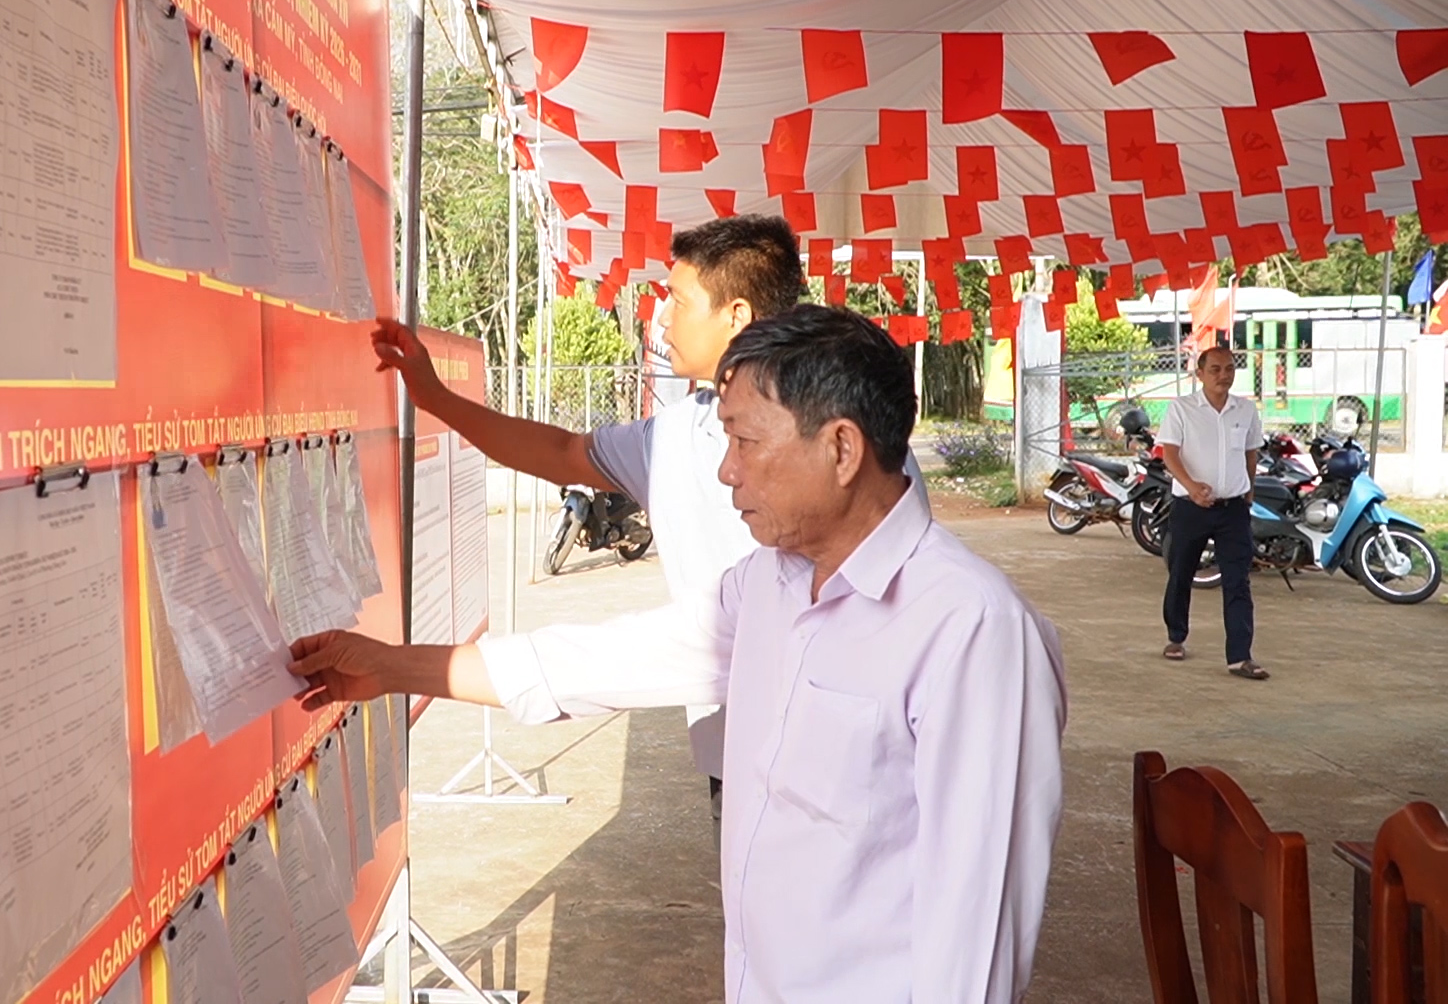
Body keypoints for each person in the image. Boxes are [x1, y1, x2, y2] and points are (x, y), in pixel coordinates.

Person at [300, 306, 1067, 1003]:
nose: (728, 470)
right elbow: (603, 660)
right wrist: (393, 668)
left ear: (841, 448)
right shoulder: (768, 585)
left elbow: (974, 946)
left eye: (744, 441)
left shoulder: (970, 630)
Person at [370, 214, 807, 831]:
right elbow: (561, 453)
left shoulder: (825, 432)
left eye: (679, 300)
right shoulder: (676, 435)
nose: (663, 318)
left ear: (735, 315)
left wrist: (394, 667)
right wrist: (435, 398)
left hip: (821, 748)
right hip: (734, 756)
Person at [1158, 344, 1268, 680]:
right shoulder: (1182, 409)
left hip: (1233, 508)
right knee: (1181, 572)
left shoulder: (1245, 410)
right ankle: (1176, 636)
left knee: (1238, 581)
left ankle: (1240, 656)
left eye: (1230, 368)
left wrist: (1249, 489)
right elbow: (1169, 454)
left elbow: (1250, 453)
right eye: (1216, 369)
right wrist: (1191, 486)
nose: (1223, 375)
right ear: (1200, 373)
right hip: (1190, 507)